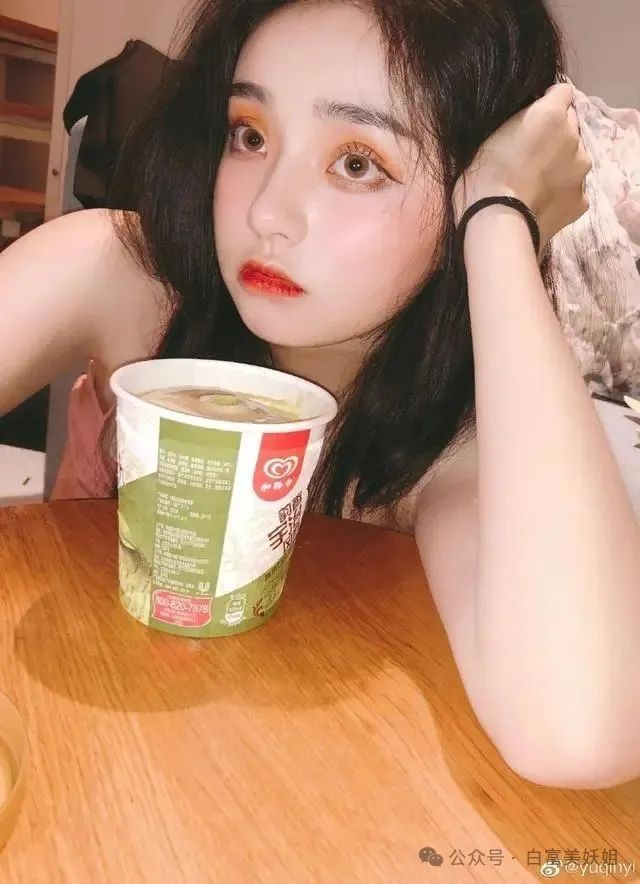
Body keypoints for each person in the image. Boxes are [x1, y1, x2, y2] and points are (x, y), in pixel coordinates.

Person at [1, 0, 639, 789]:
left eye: (358, 163)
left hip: (279, 796)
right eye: (250, 135)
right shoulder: (121, 277)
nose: (267, 211)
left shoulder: (450, 451)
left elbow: (581, 734)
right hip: (66, 744)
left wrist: (503, 222)